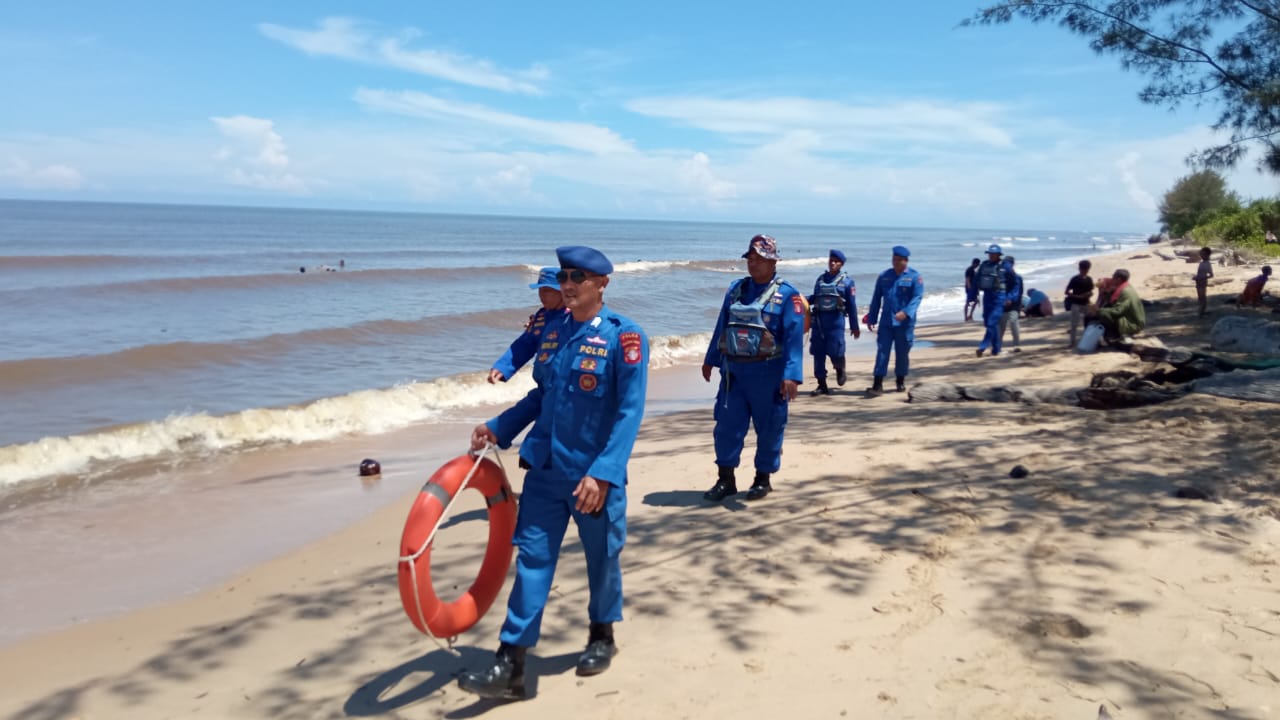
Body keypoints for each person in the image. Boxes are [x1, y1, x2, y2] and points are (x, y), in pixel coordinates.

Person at [458, 246, 648, 700]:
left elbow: (629, 412)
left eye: (578, 276)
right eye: (564, 275)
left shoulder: (624, 337)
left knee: (601, 560)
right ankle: (511, 663)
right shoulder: (552, 330)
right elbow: (540, 398)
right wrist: (498, 427)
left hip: (592, 478)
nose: (568, 283)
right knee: (532, 561)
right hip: (544, 471)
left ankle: (602, 635)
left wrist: (603, 474)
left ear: (602, 284)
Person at [701, 234, 805, 502]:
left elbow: (794, 338)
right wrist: (710, 358)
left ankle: (763, 479)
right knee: (726, 426)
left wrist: (792, 375)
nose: (754, 264)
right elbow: (722, 325)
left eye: (760, 259)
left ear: (773, 262)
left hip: (768, 374)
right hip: (733, 374)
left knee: (769, 427)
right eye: (751, 259)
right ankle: (726, 479)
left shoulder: (787, 295)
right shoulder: (735, 289)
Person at [488, 267, 567, 384]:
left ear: (562, 292)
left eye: (547, 291)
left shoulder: (575, 317)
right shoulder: (541, 317)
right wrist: (503, 367)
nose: (542, 295)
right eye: (540, 290)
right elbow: (525, 344)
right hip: (544, 384)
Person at [864, 245, 924, 395]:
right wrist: (872, 317)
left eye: (899, 260)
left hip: (904, 323)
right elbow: (876, 298)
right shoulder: (884, 276)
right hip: (886, 322)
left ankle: (900, 380)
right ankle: (877, 384)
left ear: (906, 261)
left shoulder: (915, 277)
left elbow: (917, 298)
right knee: (882, 351)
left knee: (902, 352)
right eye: (894, 259)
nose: (895, 262)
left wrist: (906, 312)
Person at [807, 249, 860, 396]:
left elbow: (852, 306)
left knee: (835, 351)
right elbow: (815, 297)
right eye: (831, 260)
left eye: (836, 261)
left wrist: (855, 327)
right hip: (818, 322)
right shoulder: (820, 279)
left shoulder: (847, 283)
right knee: (818, 353)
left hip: (836, 323)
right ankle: (821, 384)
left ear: (841, 264)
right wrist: (801, 299)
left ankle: (840, 368)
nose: (832, 263)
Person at [1089, 268, 1145, 340]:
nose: (1112, 279)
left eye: (1113, 277)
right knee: (1102, 311)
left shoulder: (1125, 292)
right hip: (1131, 318)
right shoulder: (1126, 286)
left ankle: (1114, 334)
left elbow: (1118, 311)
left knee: (1103, 313)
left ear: (1118, 279)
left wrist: (1099, 310)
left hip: (1133, 324)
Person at [975, 244, 1007, 357]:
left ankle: (982, 347)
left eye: (993, 254)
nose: (991, 256)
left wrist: (1011, 297)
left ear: (999, 254)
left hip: (999, 297)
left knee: (991, 322)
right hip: (987, 296)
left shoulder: (1004, 265)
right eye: (990, 254)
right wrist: (974, 295)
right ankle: (996, 350)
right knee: (989, 323)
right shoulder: (984, 265)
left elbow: (1014, 281)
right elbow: (977, 279)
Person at [1064, 260, 1094, 349]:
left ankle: (1089, 340)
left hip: (1086, 303)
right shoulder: (1075, 279)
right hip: (1075, 303)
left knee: (1090, 323)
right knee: (1074, 324)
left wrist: (1088, 294)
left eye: (1086, 269)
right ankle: (1072, 342)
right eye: (1083, 269)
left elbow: (1090, 291)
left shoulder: (1089, 279)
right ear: (1079, 269)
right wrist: (1077, 296)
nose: (1084, 271)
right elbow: (1067, 292)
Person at [997, 256, 1024, 353]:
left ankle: (1016, 345)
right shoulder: (1001, 277)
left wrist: (1011, 300)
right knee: (1001, 325)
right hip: (1002, 305)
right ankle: (998, 346)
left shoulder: (1017, 278)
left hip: (1014, 305)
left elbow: (1018, 292)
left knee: (1013, 322)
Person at [1193, 247, 1214, 317]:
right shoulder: (1201, 263)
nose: (1201, 255)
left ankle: (1200, 313)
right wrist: (1196, 277)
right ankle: (1201, 312)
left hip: (1202, 282)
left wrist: (1202, 277)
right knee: (1200, 298)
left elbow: (1211, 275)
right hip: (1198, 281)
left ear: (1207, 255)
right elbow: (1199, 273)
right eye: (1201, 254)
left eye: (1203, 254)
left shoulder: (1208, 264)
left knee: (1202, 297)